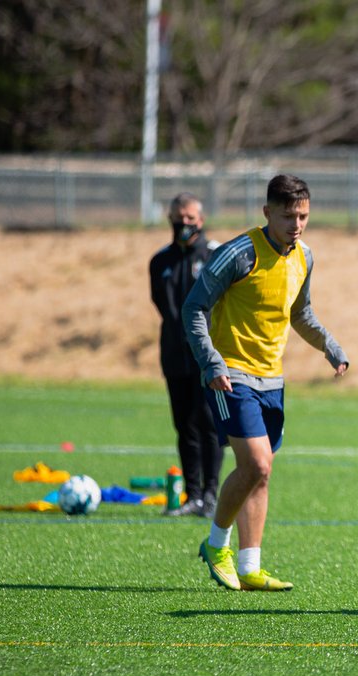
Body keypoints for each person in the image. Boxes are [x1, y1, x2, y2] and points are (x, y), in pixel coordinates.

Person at [182, 174, 349, 591]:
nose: (297, 224)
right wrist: (211, 361)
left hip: (271, 379)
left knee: (262, 472)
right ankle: (216, 544)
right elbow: (194, 306)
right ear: (267, 212)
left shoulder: (305, 257)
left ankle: (250, 565)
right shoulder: (238, 253)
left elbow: (300, 313)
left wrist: (329, 346)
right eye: (289, 215)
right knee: (256, 462)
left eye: (304, 216)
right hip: (230, 374)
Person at [149, 192, 225, 518]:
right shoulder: (160, 261)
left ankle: (211, 495)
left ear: (201, 220)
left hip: (207, 356)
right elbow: (164, 309)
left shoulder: (215, 255)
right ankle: (192, 496)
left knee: (209, 425)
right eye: (179, 218)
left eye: (191, 218)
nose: (184, 224)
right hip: (173, 355)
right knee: (185, 426)